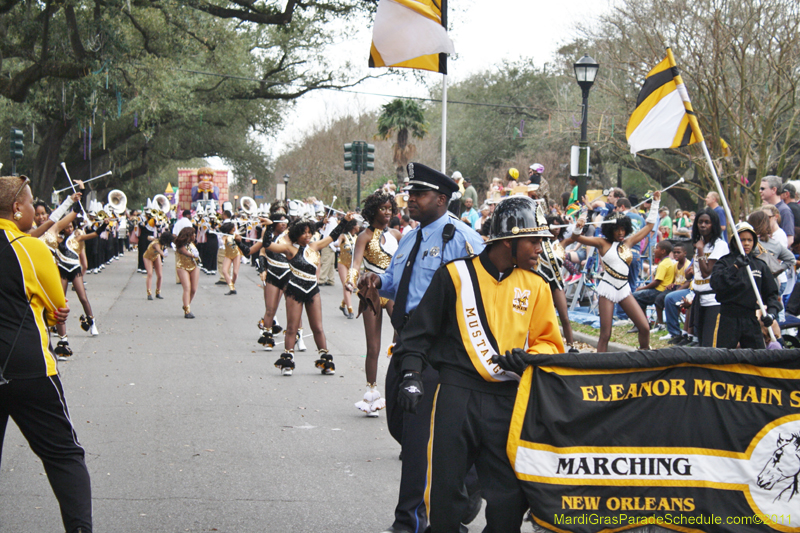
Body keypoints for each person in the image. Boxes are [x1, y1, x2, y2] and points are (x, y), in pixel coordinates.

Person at [393, 195, 564, 532]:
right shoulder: (455, 276)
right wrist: (411, 374)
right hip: (457, 395)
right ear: (509, 241)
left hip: (508, 399)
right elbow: (418, 335)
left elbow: (550, 343)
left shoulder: (537, 285)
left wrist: (528, 357)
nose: (540, 250)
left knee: (509, 498)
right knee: (445, 493)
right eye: (533, 241)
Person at [359, 162, 485, 533]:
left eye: (419, 194)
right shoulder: (410, 238)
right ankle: (469, 478)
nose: (410, 200)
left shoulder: (462, 239)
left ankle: (410, 522)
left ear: (442, 199)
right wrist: (376, 281)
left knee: (416, 441)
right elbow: (397, 283)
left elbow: (477, 294)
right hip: (405, 342)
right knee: (399, 423)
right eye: (409, 193)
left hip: (439, 349)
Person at [0, 175, 92, 533]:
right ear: (17, 208)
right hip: (27, 366)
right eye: (31, 202)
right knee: (64, 455)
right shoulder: (32, 248)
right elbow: (57, 307)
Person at [563, 191, 662, 352]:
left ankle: (645, 357)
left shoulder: (628, 242)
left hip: (624, 289)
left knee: (644, 327)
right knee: (605, 335)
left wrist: (656, 202)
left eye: (623, 229)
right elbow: (577, 239)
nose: (621, 233)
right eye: (617, 230)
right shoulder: (602, 243)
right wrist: (578, 227)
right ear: (610, 229)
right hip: (607, 288)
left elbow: (650, 226)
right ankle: (599, 369)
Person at [264, 214, 353, 376]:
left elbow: (333, 236)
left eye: (309, 232)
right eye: (303, 232)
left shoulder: (315, 246)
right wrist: (269, 227)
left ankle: (325, 361)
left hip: (312, 290)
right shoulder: (288, 249)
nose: (307, 235)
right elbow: (267, 245)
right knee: (292, 327)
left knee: (318, 327)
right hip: (294, 290)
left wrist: (345, 221)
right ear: (296, 234)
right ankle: (288, 362)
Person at [348, 191, 401, 416]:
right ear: (373, 211)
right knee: (374, 346)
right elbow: (356, 263)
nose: (387, 212)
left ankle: (400, 381)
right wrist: (351, 281)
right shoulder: (365, 236)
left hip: (393, 288)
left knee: (404, 329)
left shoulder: (398, 235)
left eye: (390, 208)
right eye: (382, 208)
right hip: (371, 290)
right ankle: (371, 394)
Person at [711, 222, 781, 349]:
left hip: (750, 318)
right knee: (723, 357)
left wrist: (771, 314)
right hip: (728, 318)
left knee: (758, 357)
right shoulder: (724, 262)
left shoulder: (760, 265)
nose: (746, 243)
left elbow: (772, 293)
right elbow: (716, 284)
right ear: (734, 241)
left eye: (750, 240)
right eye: (742, 239)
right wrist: (735, 267)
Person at [690, 208, 728, 346]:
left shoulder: (720, 245)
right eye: (700, 222)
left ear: (714, 225)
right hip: (699, 299)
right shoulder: (699, 244)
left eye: (707, 222)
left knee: (709, 343)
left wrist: (700, 250)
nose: (703, 225)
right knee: (700, 341)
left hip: (713, 301)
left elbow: (707, 272)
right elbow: (698, 271)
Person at [629, 240, 675, 332]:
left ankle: (640, 324)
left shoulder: (663, 264)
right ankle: (644, 323)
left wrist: (641, 288)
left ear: (663, 251)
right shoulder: (667, 262)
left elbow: (656, 282)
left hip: (659, 291)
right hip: (663, 290)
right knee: (640, 297)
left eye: (657, 248)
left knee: (634, 296)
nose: (654, 250)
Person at [174, 226, 201, 318]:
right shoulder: (180, 246)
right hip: (182, 267)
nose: (194, 235)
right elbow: (186, 253)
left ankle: (186, 305)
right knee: (187, 288)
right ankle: (187, 311)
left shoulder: (192, 244)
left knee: (193, 289)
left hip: (194, 266)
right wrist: (193, 255)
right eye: (193, 234)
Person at [761, 175, 794, 246]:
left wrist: (776, 253)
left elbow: (790, 239)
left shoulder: (784, 211)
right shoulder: (766, 209)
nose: (760, 191)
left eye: (763, 188)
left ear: (774, 190)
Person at [336, 219, 359, 319]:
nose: (359, 226)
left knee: (351, 286)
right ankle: (350, 310)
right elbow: (336, 243)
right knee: (347, 285)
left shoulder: (357, 238)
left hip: (352, 265)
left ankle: (342, 305)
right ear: (353, 226)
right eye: (357, 225)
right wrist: (336, 244)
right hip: (342, 263)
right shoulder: (343, 236)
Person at [143, 231, 175, 300]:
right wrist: (163, 254)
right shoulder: (156, 244)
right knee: (150, 274)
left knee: (160, 275)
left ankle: (158, 292)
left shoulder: (161, 242)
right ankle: (149, 293)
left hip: (155, 256)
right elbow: (159, 250)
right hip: (148, 257)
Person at [220, 221, 246, 295]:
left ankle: (232, 286)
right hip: (227, 255)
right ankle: (232, 288)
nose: (235, 228)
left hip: (236, 254)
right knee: (224, 271)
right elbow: (222, 242)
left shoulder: (236, 235)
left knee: (235, 273)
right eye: (233, 227)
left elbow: (240, 243)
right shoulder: (224, 236)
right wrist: (221, 240)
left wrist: (239, 239)